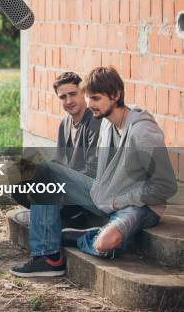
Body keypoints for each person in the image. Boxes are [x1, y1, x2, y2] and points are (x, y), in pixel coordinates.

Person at [11, 66, 177, 277]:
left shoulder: (143, 132)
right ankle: (48, 256)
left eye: (96, 98)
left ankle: (82, 237)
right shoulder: (107, 124)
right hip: (107, 195)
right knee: (45, 171)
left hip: (140, 205)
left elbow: (166, 186)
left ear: (116, 95)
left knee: (106, 244)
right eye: (89, 98)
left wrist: (121, 200)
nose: (90, 105)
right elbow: (99, 174)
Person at [11, 71, 102, 229]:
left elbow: (92, 171)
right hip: (66, 187)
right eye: (63, 97)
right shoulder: (65, 122)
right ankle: (54, 217)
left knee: (40, 172)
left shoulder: (95, 122)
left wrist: (54, 177)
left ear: (83, 94)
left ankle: (60, 218)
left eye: (73, 94)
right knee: (16, 174)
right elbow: (59, 161)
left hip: (87, 190)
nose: (68, 101)